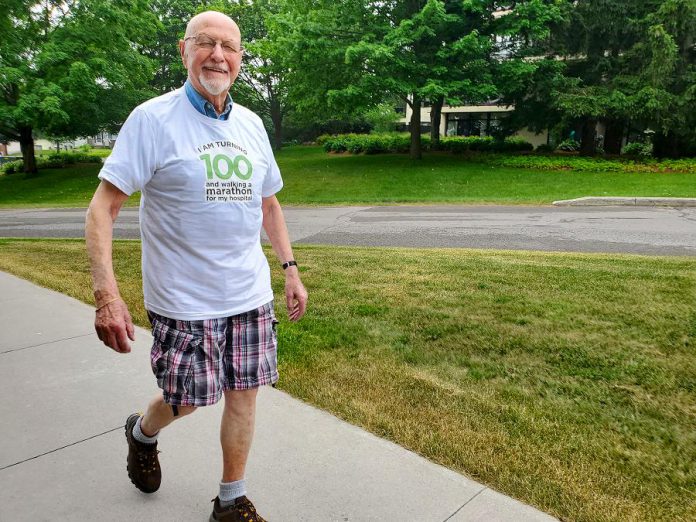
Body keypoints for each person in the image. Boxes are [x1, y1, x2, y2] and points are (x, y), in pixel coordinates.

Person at [85, 10, 307, 522]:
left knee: (244, 395)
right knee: (187, 399)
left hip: (249, 293)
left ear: (240, 59)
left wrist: (289, 268)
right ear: (184, 50)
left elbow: (269, 205)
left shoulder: (251, 125)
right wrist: (106, 295)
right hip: (183, 299)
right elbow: (103, 209)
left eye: (229, 46)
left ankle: (230, 501)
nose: (218, 55)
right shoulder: (152, 119)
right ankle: (142, 432)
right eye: (206, 43)